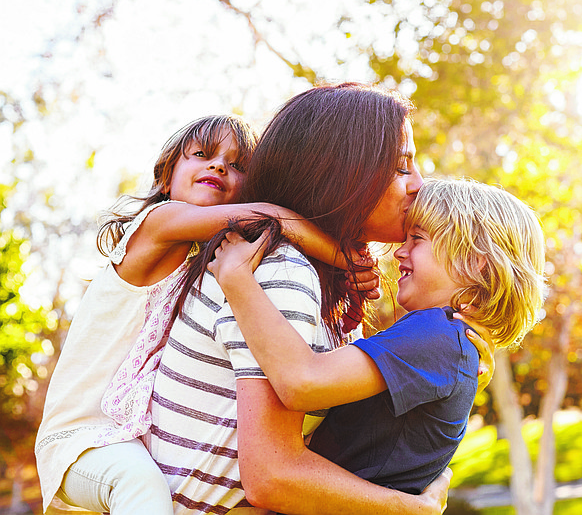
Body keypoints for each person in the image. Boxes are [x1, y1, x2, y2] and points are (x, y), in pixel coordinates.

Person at [147, 83, 481, 514]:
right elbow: (273, 477)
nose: (419, 185)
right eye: (402, 168)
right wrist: (409, 508)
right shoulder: (280, 273)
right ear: (344, 172)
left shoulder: (312, 278)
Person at [34, 114, 368, 515]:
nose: (219, 166)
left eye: (237, 164)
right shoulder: (157, 223)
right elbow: (269, 218)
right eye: (202, 155)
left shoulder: (205, 261)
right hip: (80, 438)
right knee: (139, 485)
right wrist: (347, 260)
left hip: (127, 437)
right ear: (166, 178)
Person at [209, 177, 546, 496]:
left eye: (418, 238)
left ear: (475, 264)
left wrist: (237, 279)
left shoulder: (437, 334)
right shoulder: (449, 341)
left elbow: (303, 381)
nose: (400, 251)